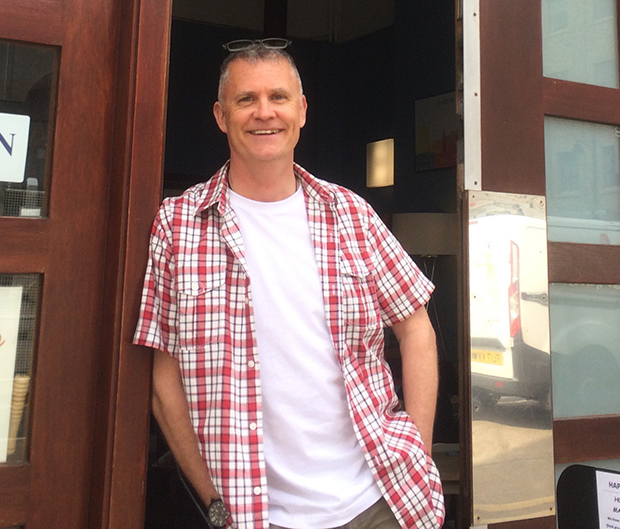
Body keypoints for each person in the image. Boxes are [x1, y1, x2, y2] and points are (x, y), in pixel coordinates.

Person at [134, 39, 444, 529]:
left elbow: (416, 328)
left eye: (278, 98)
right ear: (221, 115)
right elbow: (163, 376)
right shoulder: (178, 226)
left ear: (301, 110)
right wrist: (213, 500)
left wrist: (418, 452)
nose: (264, 113)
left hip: (378, 505)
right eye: (245, 99)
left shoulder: (352, 215)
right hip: (255, 516)